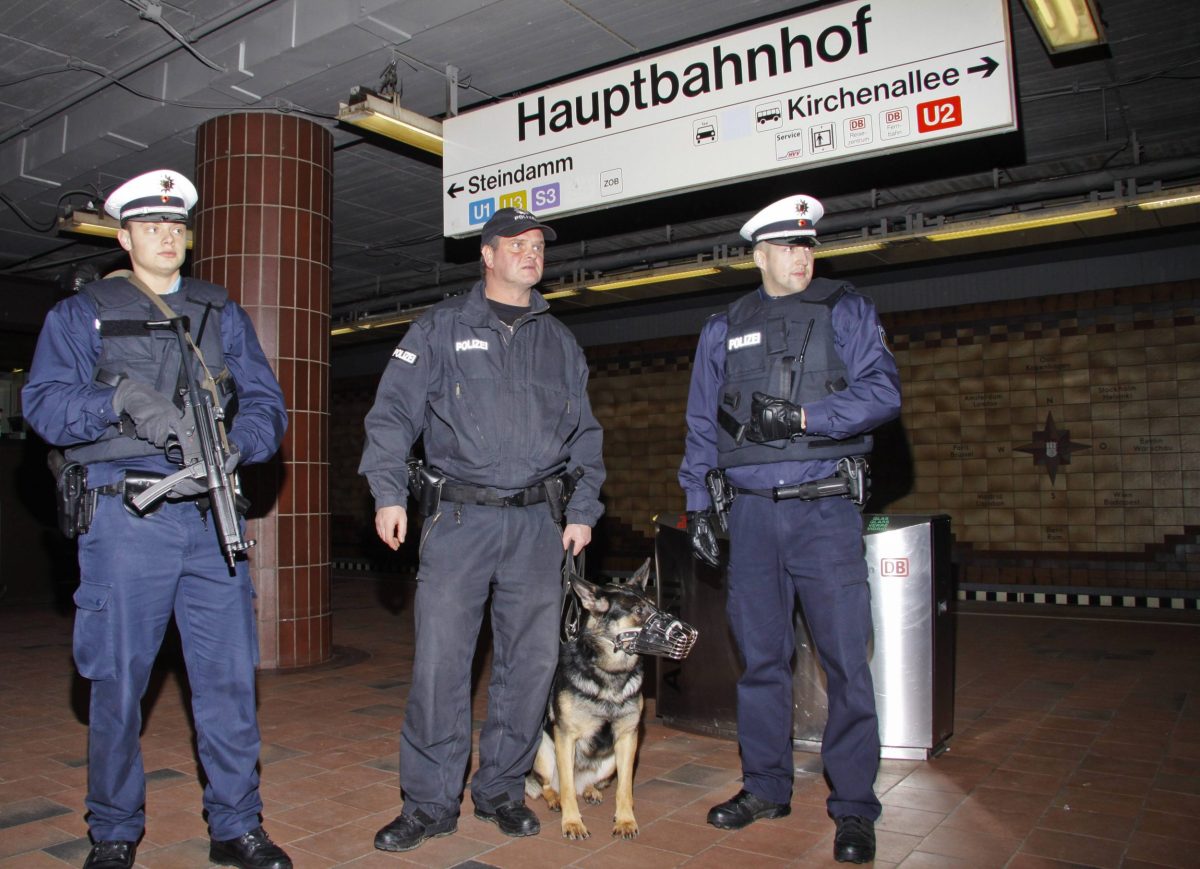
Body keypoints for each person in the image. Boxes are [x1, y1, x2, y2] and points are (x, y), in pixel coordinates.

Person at [22, 170, 291, 869]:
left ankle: (237, 825)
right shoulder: (83, 312)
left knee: (229, 680)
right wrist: (118, 404)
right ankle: (114, 830)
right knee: (117, 682)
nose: (166, 235)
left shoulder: (218, 310)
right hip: (124, 522)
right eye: (150, 226)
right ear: (124, 236)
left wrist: (242, 442)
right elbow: (44, 405)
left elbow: (266, 401)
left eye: (176, 226)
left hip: (209, 519)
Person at [359, 206, 605, 852]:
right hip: (460, 519)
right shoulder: (440, 330)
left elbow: (586, 437)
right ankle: (430, 802)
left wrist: (583, 509)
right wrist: (389, 492)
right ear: (488, 256)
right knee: (442, 662)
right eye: (517, 244)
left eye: (538, 245)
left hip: (536, 526)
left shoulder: (559, 343)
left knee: (532, 662)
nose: (532, 253)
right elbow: (390, 416)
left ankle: (500, 787)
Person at [678, 194, 901, 864]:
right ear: (759, 255)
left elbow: (884, 392)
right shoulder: (724, 325)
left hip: (825, 511)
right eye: (788, 247)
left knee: (844, 661)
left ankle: (855, 807)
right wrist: (699, 505)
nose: (802, 257)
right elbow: (700, 425)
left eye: (808, 246)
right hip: (751, 517)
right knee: (761, 659)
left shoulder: (847, 310)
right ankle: (766, 785)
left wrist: (805, 420)